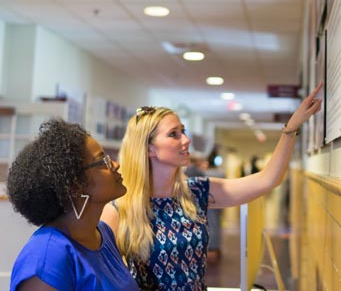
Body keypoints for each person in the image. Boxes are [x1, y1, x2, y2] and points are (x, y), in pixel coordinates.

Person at [101, 83, 323, 290]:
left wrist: (291, 127)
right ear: (149, 149)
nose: (186, 140)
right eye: (174, 135)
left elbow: (268, 179)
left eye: (183, 131)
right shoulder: (119, 209)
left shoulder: (196, 193)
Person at [7, 118, 139, 291]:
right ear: (75, 184)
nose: (115, 165)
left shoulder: (103, 233)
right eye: (103, 161)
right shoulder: (47, 256)